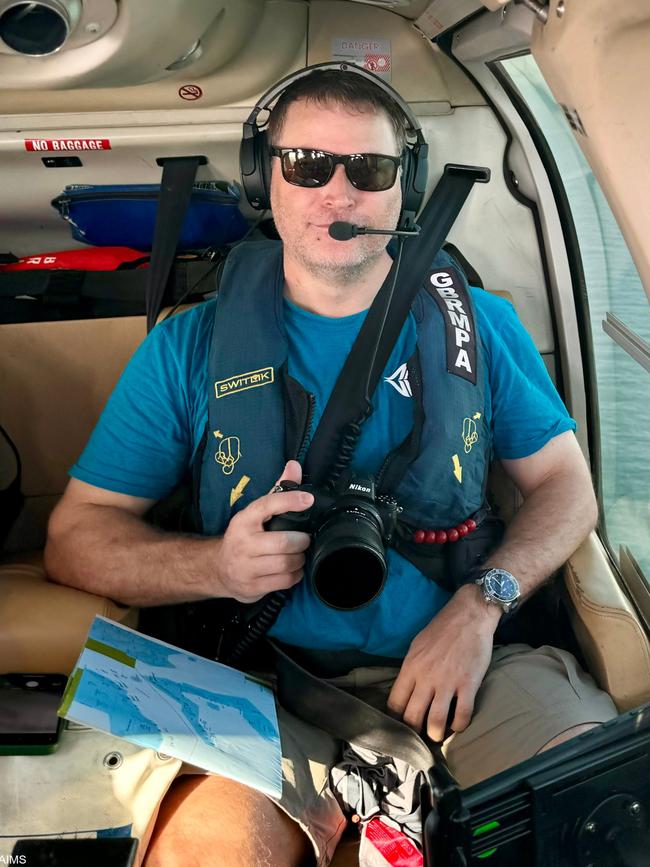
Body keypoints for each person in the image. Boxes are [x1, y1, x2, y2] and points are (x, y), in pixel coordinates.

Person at [44, 67, 617, 867]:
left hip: (472, 669)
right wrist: (217, 564)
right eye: (307, 164)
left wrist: (481, 606)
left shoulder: (480, 326)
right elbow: (75, 537)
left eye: (369, 170)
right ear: (264, 178)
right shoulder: (187, 347)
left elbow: (567, 487)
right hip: (264, 682)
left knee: (597, 824)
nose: (336, 193)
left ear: (403, 189)